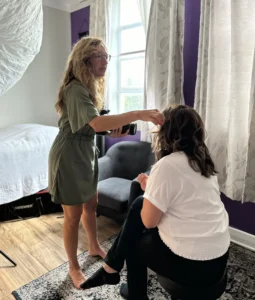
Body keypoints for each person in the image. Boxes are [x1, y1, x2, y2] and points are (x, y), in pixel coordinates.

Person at [48, 37, 165, 289]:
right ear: (85, 60)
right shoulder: (75, 88)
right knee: (73, 215)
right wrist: (139, 113)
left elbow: (93, 126)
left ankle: (93, 245)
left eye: (106, 56)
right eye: (99, 55)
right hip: (68, 155)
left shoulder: (89, 88)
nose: (105, 61)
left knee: (92, 204)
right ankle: (73, 266)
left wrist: (111, 133)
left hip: (86, 152)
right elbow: (97, 123)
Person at [81, 105, 230, 300]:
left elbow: (149, 222)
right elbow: (185, 197)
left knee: (133, 239)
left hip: (194, 268)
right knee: (140, 205)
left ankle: (131, 290)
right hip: (218, 262)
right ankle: (110, 268)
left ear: (167, 133)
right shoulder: (203, 163)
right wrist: (152, 188)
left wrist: (150, 192)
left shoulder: (167, 165)